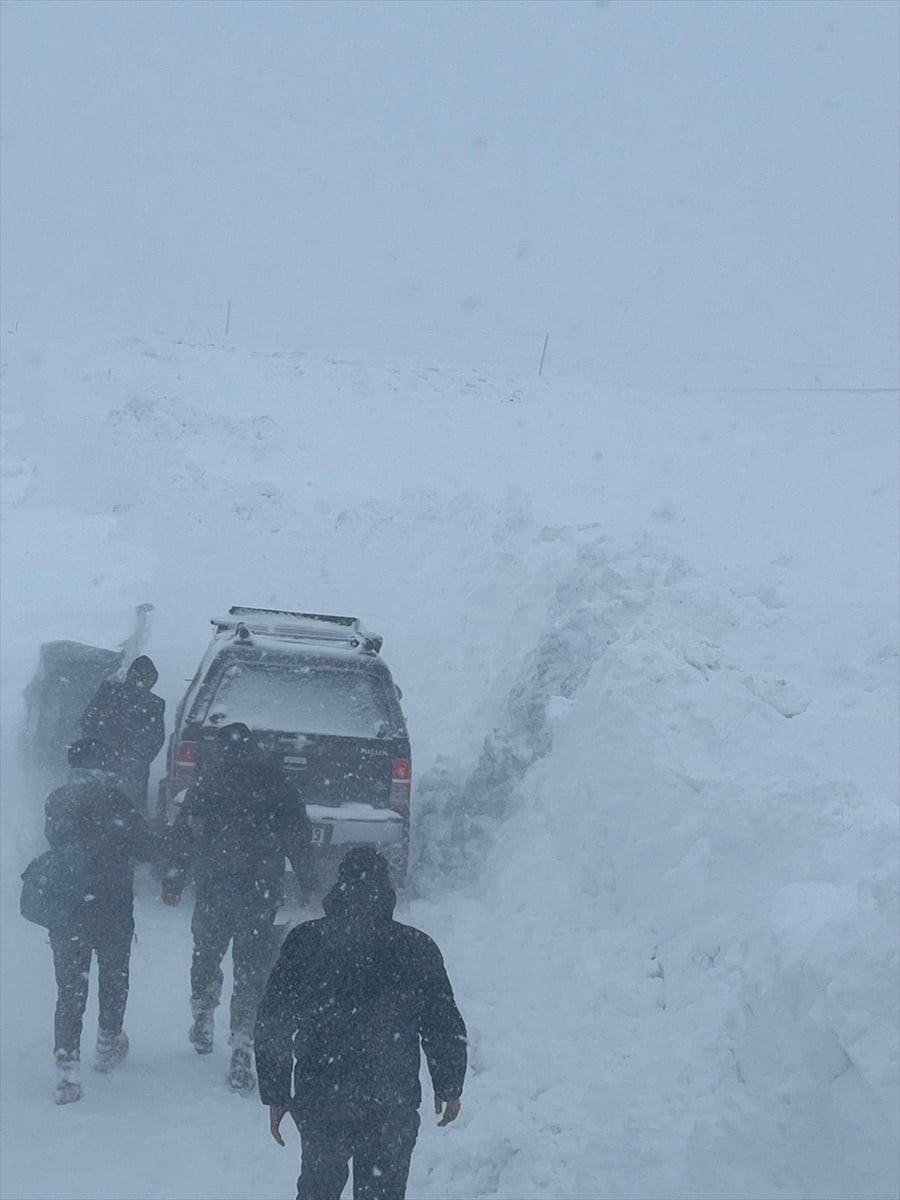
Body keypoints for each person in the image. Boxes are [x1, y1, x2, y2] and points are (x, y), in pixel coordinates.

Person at [254, 846, 467, 1200]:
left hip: (322, 1095)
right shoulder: (416, 948)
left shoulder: (306, 942)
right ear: (387, 887)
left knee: (318, 1190)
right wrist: (449, 1084)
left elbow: (273, 1020)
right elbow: (442, 1023)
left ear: (339, 886)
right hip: (390, 1098)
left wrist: (276, 1091)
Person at [161, 722, 314, 1092]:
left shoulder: (208, 784)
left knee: (207, 952)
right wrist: (307, 880)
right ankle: (243, 1043)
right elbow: (298, 832)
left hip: (215, 885)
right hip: (259, 890)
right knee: (252, 966)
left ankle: (203, 1013)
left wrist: (174, 880)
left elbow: (184, 833)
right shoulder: (276, 784)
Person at [44, 737, 153, 1104]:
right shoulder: (118, 799)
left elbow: (53, 839)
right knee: (113, 973)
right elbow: (143, 846)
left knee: (71, 988)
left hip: (69, 906)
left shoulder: (58, 799)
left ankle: (67, 1066)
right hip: (112, 904)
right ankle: (108, 1042)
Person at [81, 654, 165, 814]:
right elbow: (89, 721)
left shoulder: (154, 704)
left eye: (143, 678)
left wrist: (134, 762)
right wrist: (99, 752)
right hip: (104, 764)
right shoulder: (109, 691)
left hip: (128, 770)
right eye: (137, 676)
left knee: (126, 810)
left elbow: (155, 740)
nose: (138, 681)